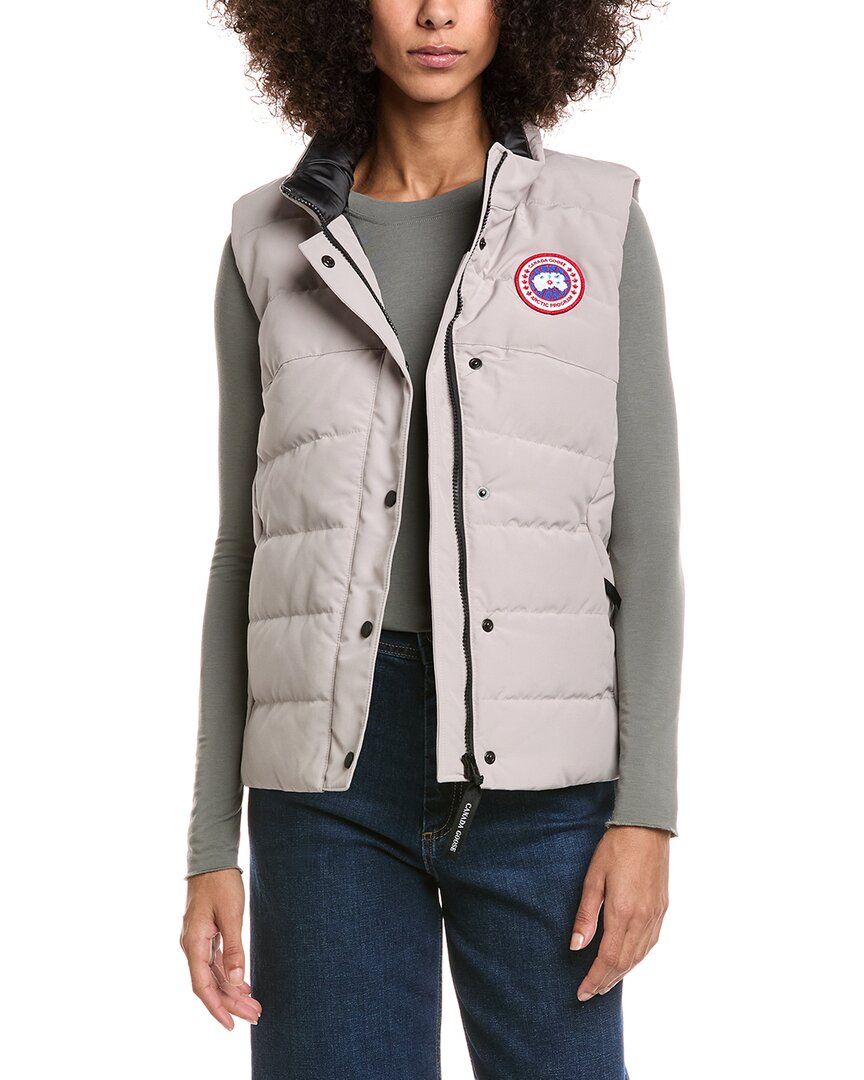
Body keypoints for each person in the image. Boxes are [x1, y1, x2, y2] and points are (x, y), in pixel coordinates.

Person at [179, 1, 684, 1076]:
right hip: (327, 788)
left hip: (546, 790)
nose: (437, 12)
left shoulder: (595, 220)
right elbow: (243, 553)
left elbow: (644, 547)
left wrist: (646, 816)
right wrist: (210, 844)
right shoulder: (267, 238)